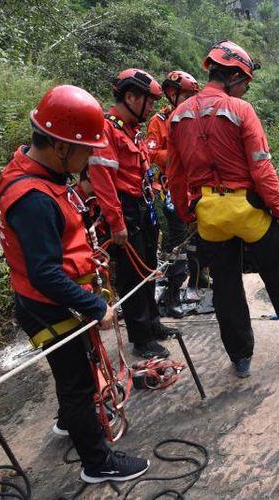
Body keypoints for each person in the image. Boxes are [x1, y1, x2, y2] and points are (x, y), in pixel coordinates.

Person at [0, 85, 149, 482]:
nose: (88, 161)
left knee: (73, 372)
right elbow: (44, 273)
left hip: (49, 298)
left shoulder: (35, 173)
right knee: (77, 380)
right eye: (85, 152)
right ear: (62, 147)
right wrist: (96, 307)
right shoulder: (32, 198)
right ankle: (98, 463)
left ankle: (68, 420)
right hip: (48, 304)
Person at [168, 40, 279, 378]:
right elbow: (262, 168)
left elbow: (175, 174)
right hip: (248, 210)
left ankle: (241, 359)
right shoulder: (241, 111)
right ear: (235, 76)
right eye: (245, 82)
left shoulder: (177, 116)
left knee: (225, 286)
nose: (245, 89)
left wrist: (187, 213)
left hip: (209, 212)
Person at [87, 68, 178, 359]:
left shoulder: (131, 132)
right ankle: (141, 338)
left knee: (148, 268)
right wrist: (116, 222)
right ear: (130, 97)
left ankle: (152, 323)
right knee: (133, 275)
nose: (151, 107)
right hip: (124, 210)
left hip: (142, 206)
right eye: (148, 101)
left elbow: (141, 168)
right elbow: (103, 181)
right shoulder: (107, 130)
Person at [146, 70, 200, 318]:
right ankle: (172, 294)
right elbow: (152, 152)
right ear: (172, 93)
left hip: (194, 186)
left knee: (196, 240)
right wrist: (179, 155)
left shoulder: (193, 117)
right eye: (185, 95)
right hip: (171, 187)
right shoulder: (159, 121)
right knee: (177, 239)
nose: (189, 99)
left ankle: (196, 283)